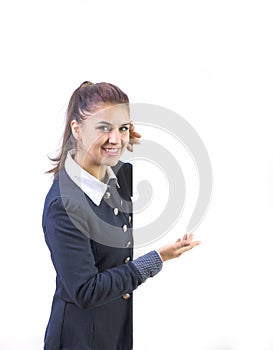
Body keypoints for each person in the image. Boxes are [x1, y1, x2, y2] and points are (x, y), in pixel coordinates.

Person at [42, 81, 200, 350]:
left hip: (114, 335)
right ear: (77, 129)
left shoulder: (118, 177)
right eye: (103, 127)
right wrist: (157, 259)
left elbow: (122, 155)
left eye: (123, 128)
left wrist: (118, 136)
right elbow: (86, 290)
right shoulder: (64, 206)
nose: (116, 138)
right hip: (79, 341)